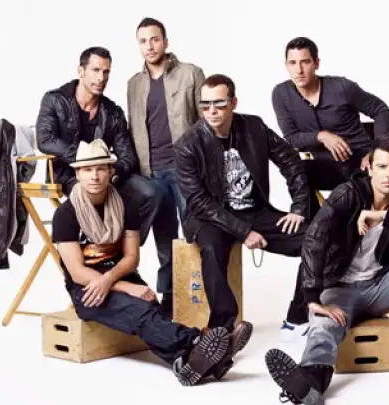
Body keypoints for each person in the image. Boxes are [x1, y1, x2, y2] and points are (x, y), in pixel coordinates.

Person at [51, 139, 252, 386]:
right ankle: (199, 342)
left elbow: (131, 257)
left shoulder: (125, 205)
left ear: (110, 171)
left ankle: (187, 363)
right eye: (88, 170)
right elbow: (77, 272)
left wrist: (115, 280)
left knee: (153, 314)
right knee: (141, 313)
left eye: (101, 168)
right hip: (88, 289)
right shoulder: (66, 214)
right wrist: (125, 287)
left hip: (119, 277)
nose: (95, 176)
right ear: (77, 174)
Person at [264, 137, 389, 404]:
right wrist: (313, 299)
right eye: (382, 166)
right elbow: (314, 240)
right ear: (369, 168)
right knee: (323, 329)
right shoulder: (348, 194)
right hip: (339, 290)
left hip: (380, 287)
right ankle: (309, 383)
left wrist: (387, 217)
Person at [174, 74, 312, 340]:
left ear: (233, 102)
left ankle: (297, 318)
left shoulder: (254, 128)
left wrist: (298, 208)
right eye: (205, 105)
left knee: (315, 240)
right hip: (210, 216)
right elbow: (199, 202)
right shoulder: (187, 146)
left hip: (254, 211)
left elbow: (291, 161)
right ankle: (221, 330)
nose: (212, 111)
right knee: (212, 248)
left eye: (219, 103)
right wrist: (243, 232)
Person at [36, 46, 158, 247]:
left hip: (105, 174)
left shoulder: (113, 112)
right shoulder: (55, 100)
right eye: (95, 70)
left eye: (106, 72)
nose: (101, 78)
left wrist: (113, 172)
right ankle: (95, 250)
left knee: (150, 192)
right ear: (81, 71)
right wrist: (86, 158)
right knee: (93, 195)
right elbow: (45, 139)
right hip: (67, 175)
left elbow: (128, 157)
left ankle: (123, 248)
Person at [126, 17, 206, 319]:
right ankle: (171, 300)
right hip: (152, 173)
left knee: (195, 234)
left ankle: (201, 300)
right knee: (165, 241)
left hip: (185, 170)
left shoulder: (190, 74)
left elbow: (206, 122)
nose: (149, 46)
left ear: (165, 42)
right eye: (143, 41)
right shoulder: (134, 84)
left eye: (155, 39)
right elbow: (135, 128)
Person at [272, 36, 389, 217]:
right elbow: (291, 137)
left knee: (356, 207)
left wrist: (376, 152)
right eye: (293, 63)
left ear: (316, 63)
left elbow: (380, 110)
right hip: (326, 166)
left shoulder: (342, 87)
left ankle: (342, 223)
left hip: (360, 163)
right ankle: (311, 223)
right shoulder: (281, 94)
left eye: (305, 62)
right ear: (286, 65)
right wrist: (321, 136)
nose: (299, 70)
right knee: (297, 171)